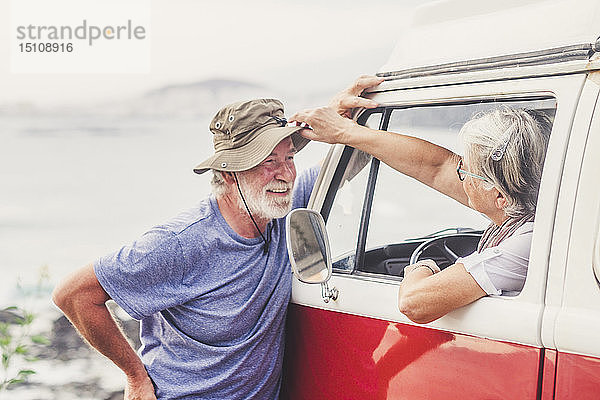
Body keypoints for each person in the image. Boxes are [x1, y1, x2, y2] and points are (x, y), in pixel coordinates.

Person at [52, 98, 319, 400]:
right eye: (269, 161)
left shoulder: (282, 211)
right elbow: (73, 294)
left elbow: (350, 154)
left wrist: (349, 111)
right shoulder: (181, 242)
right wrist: (135, 375)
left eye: (290, 158)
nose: (286, 174)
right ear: (230, 173)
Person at [290, 76, 551, 324]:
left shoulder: (526, 244)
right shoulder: (526, 205)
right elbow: (438, 167)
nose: (458, 175)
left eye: (466, 171)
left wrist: (420, 266)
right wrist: (345, 132)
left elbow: (414, 302)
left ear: (500, 196)